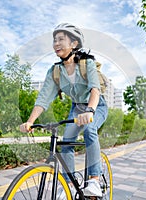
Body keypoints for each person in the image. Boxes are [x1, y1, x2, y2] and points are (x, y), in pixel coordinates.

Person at [20, 23, 108, 199]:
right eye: (54, 40)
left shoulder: (86, 63)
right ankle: (69, 185)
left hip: (96, 106)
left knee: (90, 130)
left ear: (74, 44)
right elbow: (43, 98)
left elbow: (95, 90)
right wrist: (30, 121)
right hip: (76, 108)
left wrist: (90, 110)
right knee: (66, 142)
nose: (56, 44)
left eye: (61, 39)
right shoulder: (55, 71)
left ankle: (95, 180)